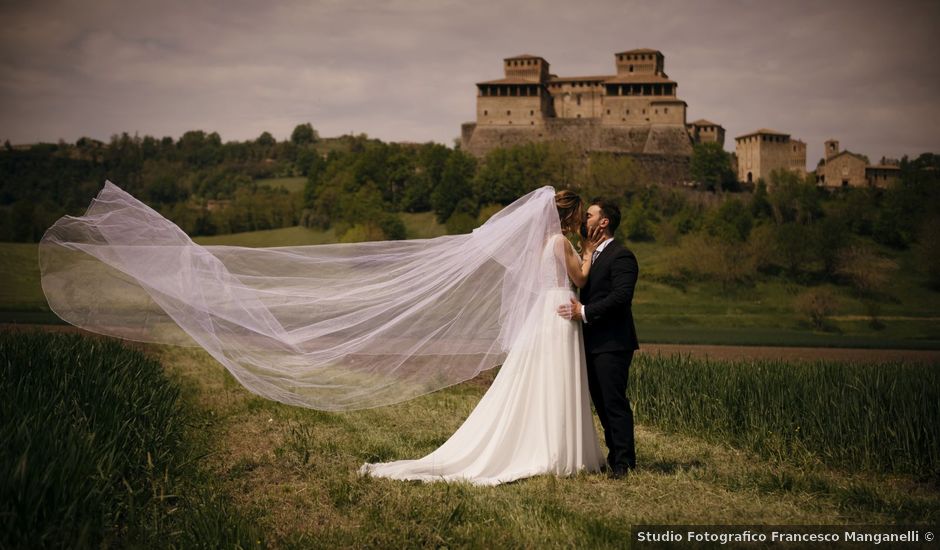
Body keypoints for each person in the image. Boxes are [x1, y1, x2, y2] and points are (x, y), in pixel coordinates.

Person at [359, 191, 607, 485]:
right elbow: (579, 278)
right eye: (579, 215)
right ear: (569, 216)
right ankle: (558, 449)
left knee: (545, 377)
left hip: (546, 311)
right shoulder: (560, 242)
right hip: (561, 310)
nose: (581, 220)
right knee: (556, 377)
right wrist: (589, 252)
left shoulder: (541, 244)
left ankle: (550, 444)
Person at [557, 199, 640, 478]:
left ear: (603, 222)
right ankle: (614, 454)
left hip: (613, 342)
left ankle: (624, 463)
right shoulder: (591, 253)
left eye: (590, 215)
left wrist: (585, 311)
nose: (584, 219)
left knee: (613, 402)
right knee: (601, 402)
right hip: (591, 341)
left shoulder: (622, 256)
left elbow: (621, 297)